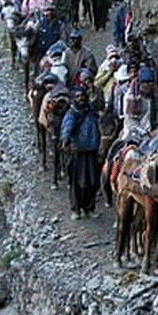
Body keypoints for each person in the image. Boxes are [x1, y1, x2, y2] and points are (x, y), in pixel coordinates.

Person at [61, 87, 101, 220]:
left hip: (91, 151)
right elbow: (67, 126)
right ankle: (76, 209)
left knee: (93, 182)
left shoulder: (91, 111)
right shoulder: (72, 113)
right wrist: (65, 138)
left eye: (82, 96)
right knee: (77, 182)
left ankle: (89, 208)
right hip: (78, 151)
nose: (80, 98)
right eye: (77, 96)